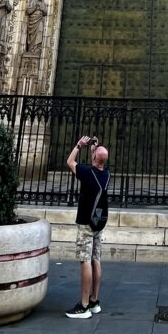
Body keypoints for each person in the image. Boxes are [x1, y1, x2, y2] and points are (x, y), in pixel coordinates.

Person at [64, 135, 110, 319]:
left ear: (93, 158)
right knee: (96, 260)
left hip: (85, 223)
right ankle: (94, 300)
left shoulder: (86, 173)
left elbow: (70, 161)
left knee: (85, 261)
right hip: (98, 223)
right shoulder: (106, 175)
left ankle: (83, 306)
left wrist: (79, 145)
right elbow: (97, 165)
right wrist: (94, 151)